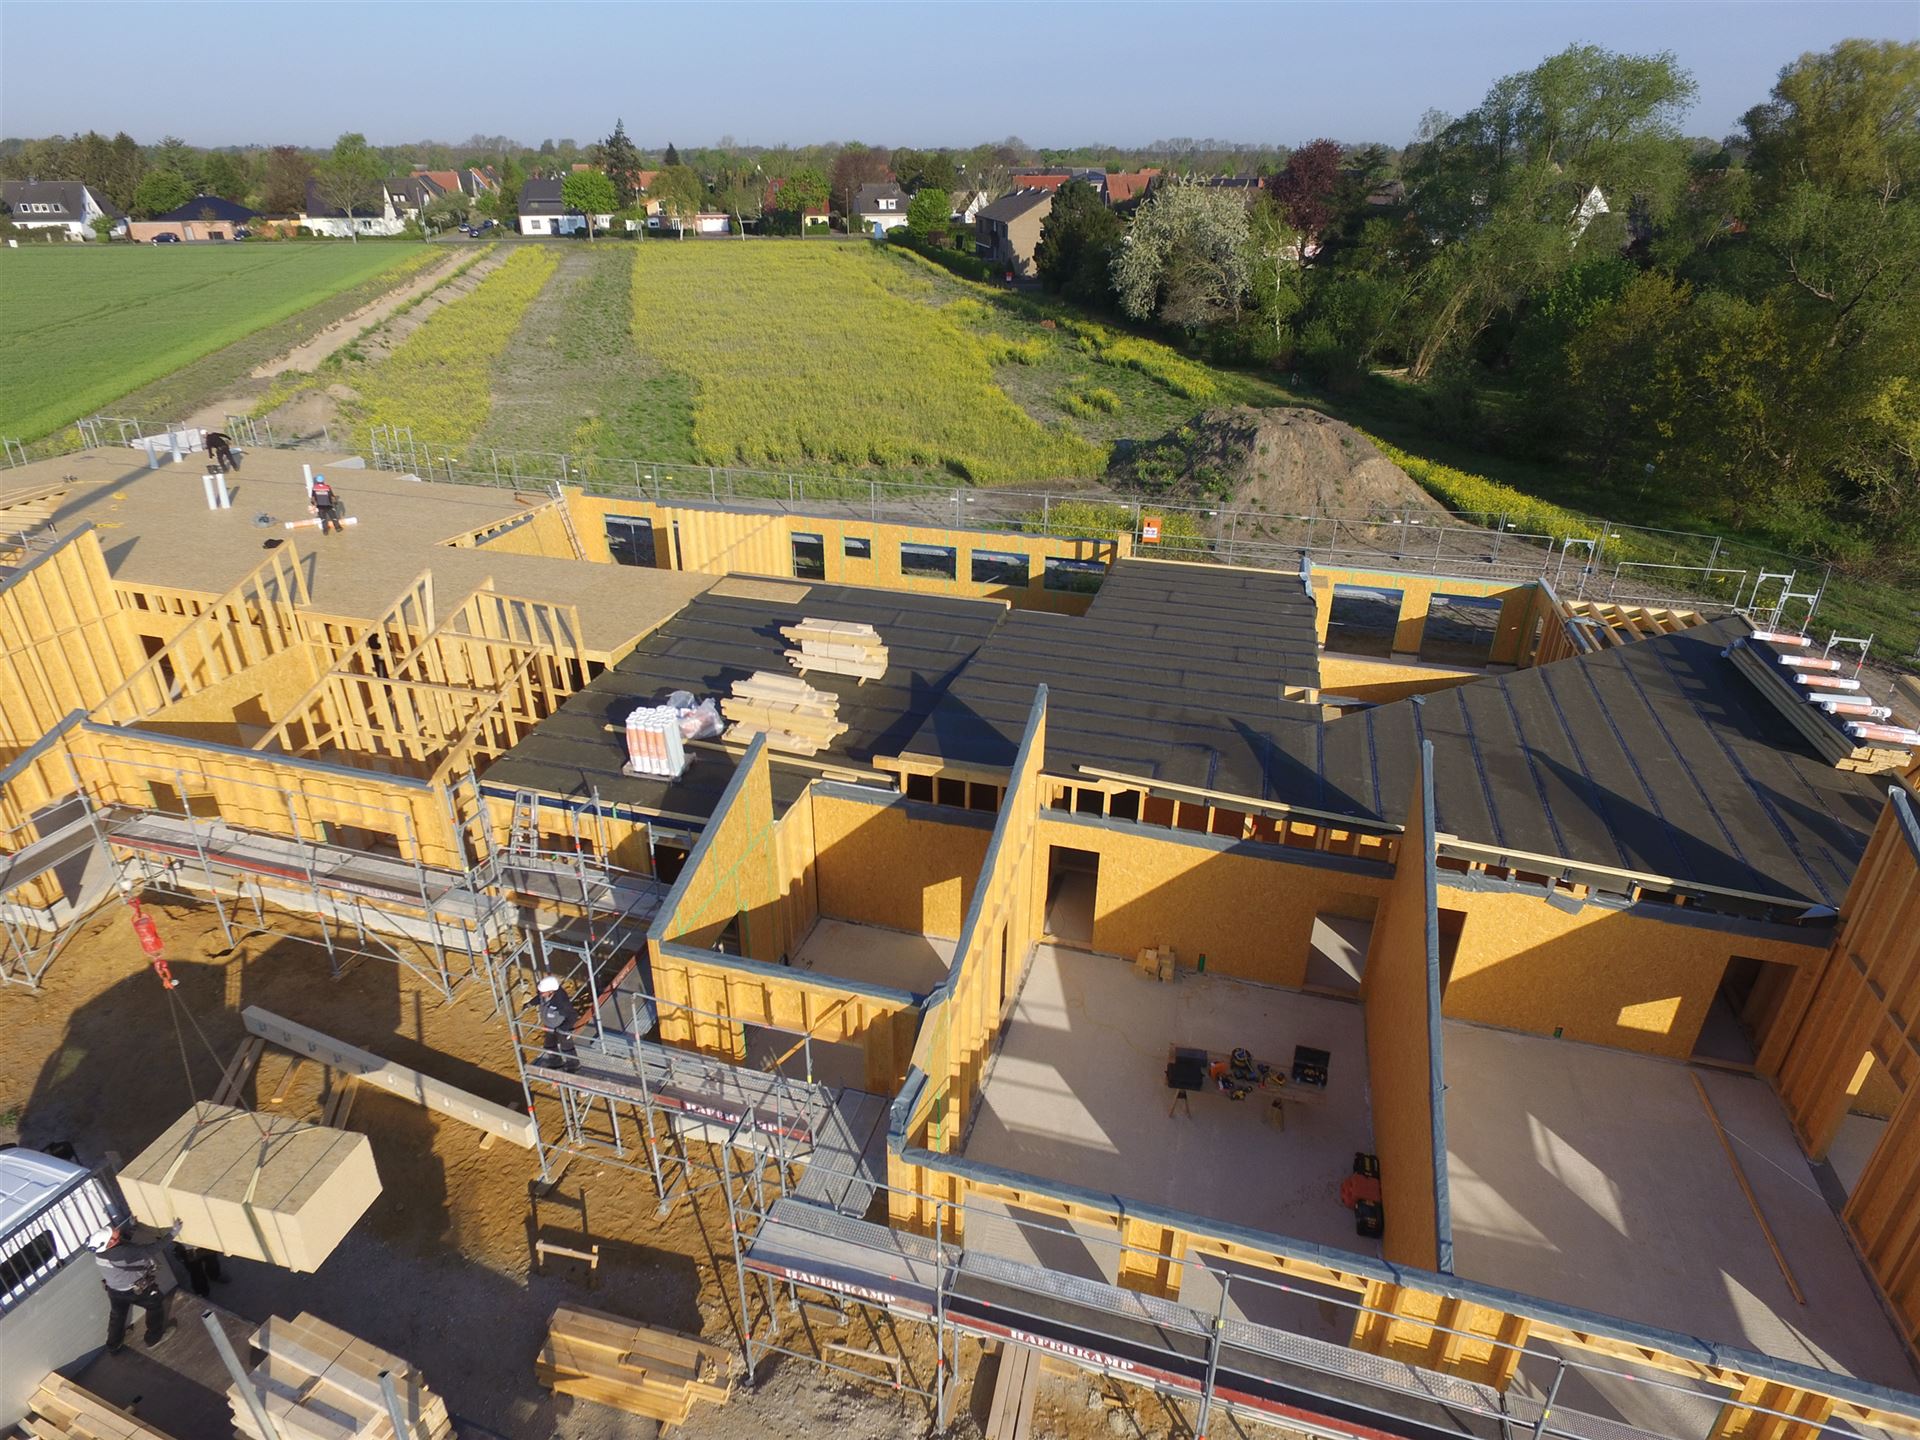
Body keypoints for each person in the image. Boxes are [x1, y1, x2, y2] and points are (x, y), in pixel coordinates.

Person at [91, 1223, 178, 1352]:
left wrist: (131, 1227)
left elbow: (121, 1242)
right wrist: (173, 1233)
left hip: (115, 1291)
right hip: (135, 1291)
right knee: (155, 1305)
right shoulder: (120, 1254)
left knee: (117, 1315)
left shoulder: (100, 1252)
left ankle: (113, 1345)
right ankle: (153, 1339)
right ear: (110, 1242)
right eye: (113, 1231)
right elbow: (151, 1249)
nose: (117, 1229)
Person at [535, 973, 581, 1071]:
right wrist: (530, 1003)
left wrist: (564, 1028)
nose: (541, 994)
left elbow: (573, 1016)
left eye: (542, 992)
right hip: (550, 1026)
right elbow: (539, 998)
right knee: (549, 1045)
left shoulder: (561, 1001)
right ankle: (555, 1062)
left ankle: (573, 1065)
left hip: (561, 1026)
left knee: (567, 1047)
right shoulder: (544, 995)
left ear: (551, 991)